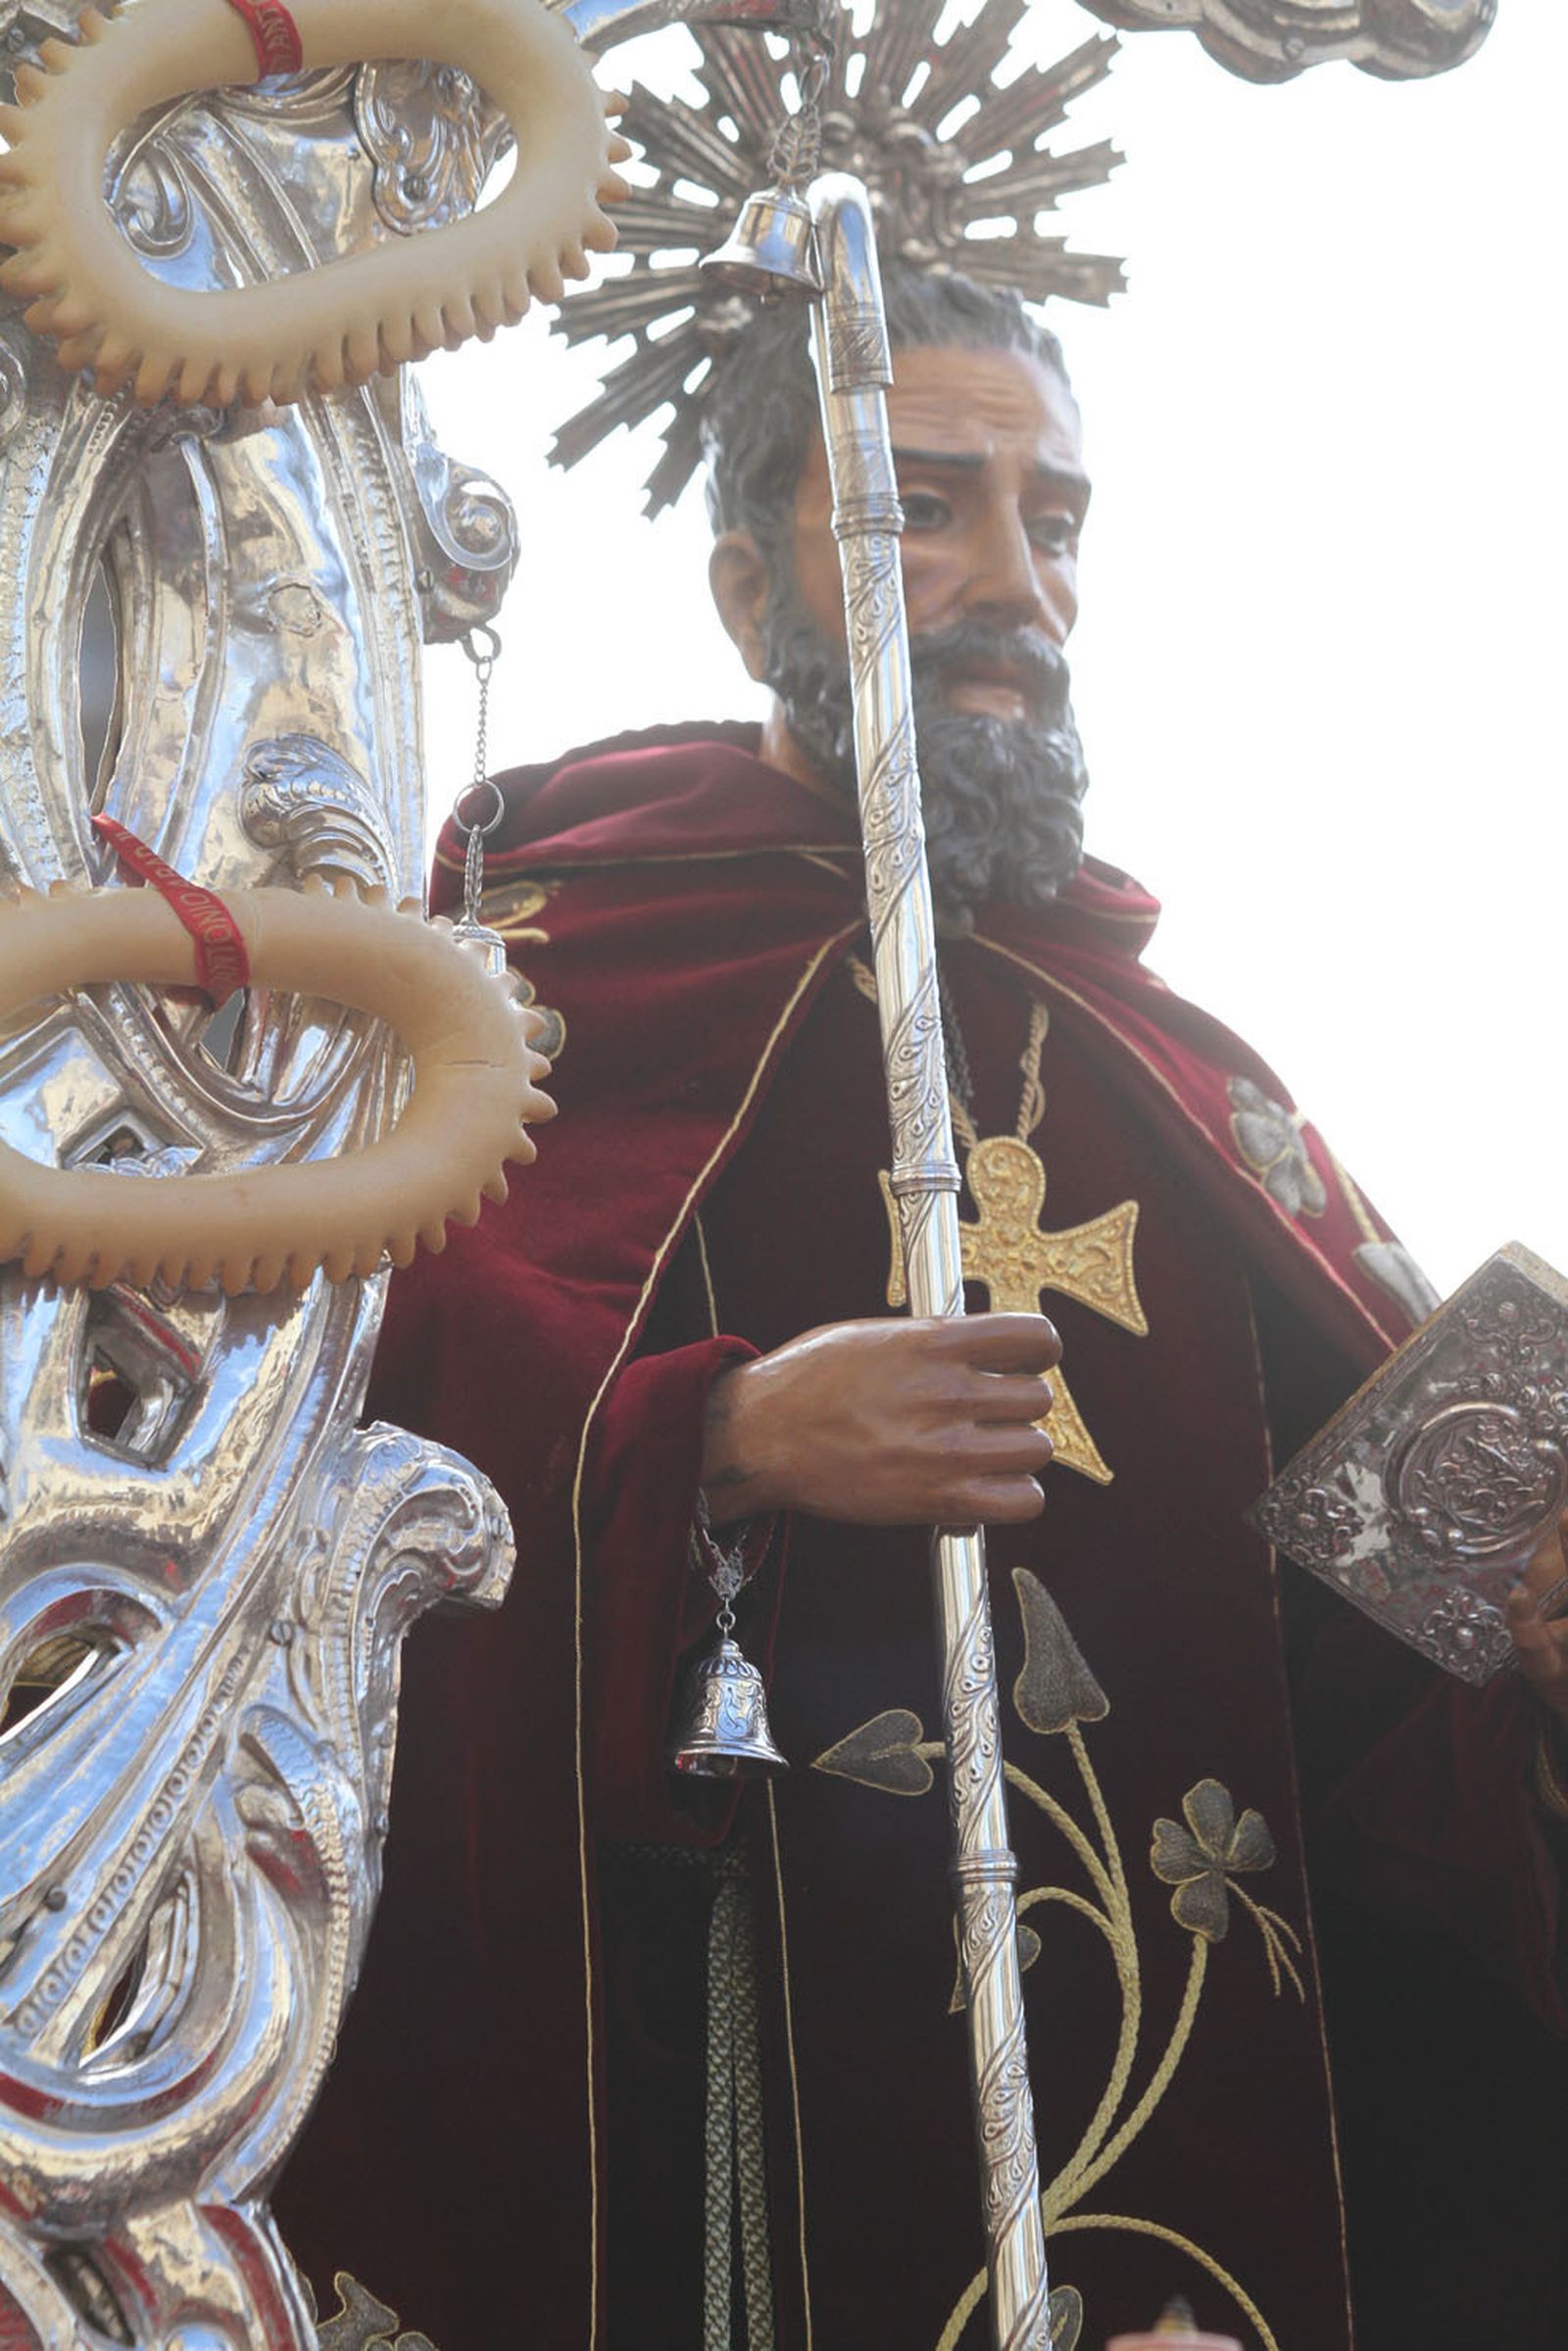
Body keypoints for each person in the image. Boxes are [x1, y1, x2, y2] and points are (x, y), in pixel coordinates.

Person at [277, 264, 1568, 2351]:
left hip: (1217, 2213)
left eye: (1051, 521)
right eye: (919, 508)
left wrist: (1519, 1670)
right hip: (741, 2144)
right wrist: (708, 1438)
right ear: (735, 579)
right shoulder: (543, 979)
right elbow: (330, 1478)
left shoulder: (1176, 1060)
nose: (1011, 586)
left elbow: (1368, 1724)